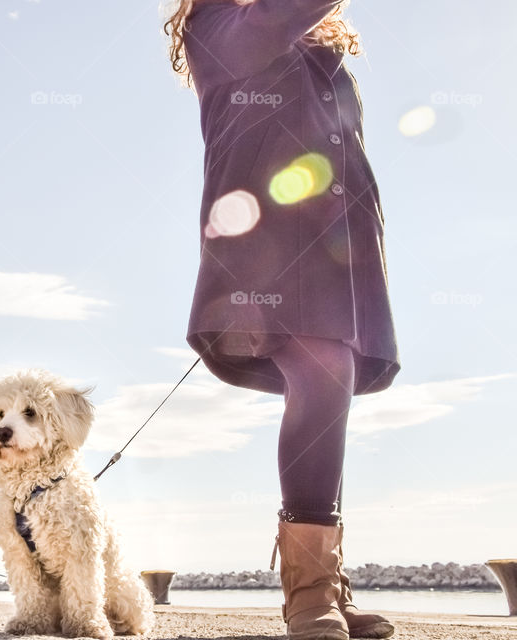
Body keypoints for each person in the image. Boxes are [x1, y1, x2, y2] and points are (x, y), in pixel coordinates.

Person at [164, 1, 399, 639]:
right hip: (268, 241)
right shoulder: (218, 25)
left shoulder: (318, 50)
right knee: (323, 373)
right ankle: (309, 592)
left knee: (330, 387)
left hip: (336, 241)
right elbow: (273, 21)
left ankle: (326, 583)